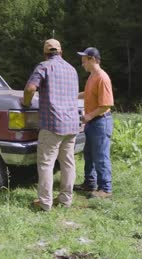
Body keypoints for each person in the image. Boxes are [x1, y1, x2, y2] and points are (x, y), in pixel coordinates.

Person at [21, 39, 80, 211]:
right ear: (61, 52)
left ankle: (45, 203)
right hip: (71, 124)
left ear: (45, 53)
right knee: (68, 163)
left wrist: (25, 103)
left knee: (46, 164)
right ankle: (65, 200)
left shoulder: (44, 66)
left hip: (52, 124)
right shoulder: (72, 70)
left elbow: (30, 89)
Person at [74, 47, 114, 199]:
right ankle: (89, 183)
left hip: (100, 122)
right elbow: (89, 94)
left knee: (101, 156)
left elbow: (106, 104)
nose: (82, 63)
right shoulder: (92, 76)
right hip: (93, 123)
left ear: (92, 59)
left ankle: (105, 189)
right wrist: (75, 95)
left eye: (84, 59)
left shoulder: (102, 78)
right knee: (89, 154)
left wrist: (89, 116)